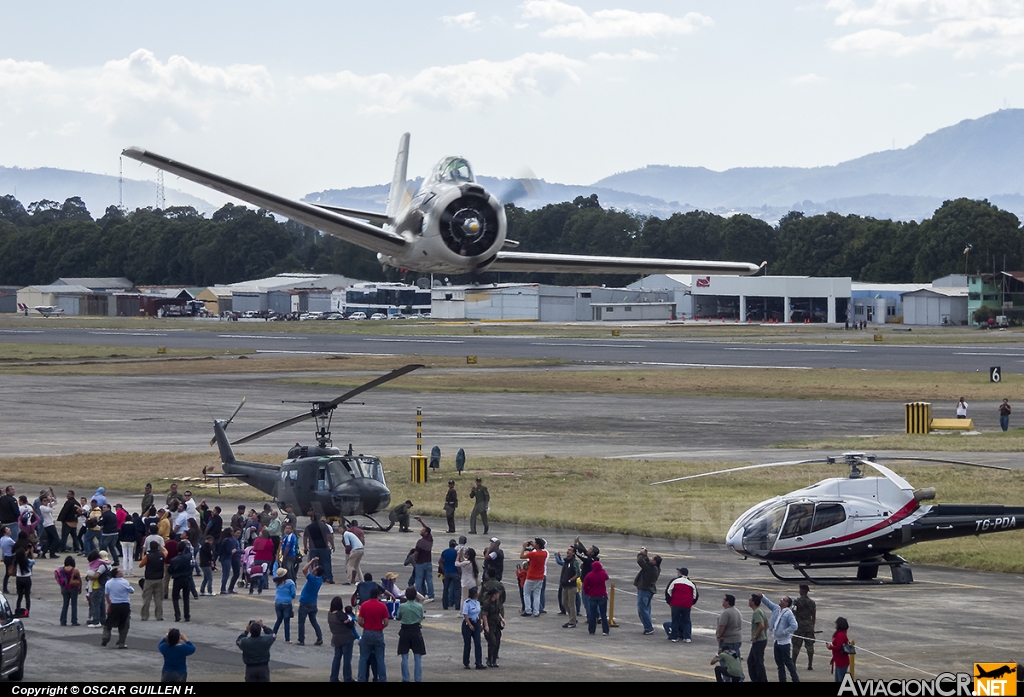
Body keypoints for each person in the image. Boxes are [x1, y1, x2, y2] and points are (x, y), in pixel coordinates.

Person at [758, 593, 800, 683]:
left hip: (784, 642)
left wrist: (784, 632)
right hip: (777, 641)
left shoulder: (788, 613)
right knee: (779, 664)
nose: (781, 600)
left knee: (788, 663)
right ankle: (782, 680)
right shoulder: (776, 608)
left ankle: (795, 679)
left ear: (787, 603)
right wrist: (762, 596)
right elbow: (769, 603)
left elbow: (794, 626)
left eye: (784, 600)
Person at [357, 586, 390, 682]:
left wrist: (365, 626)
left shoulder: (364, 605)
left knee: (363, 658)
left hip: (366, 632)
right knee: (380, 659)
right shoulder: (382, 606)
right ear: (377, 596)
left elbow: (359, 621)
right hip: (378, 633)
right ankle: (382, 679)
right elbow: (386, 622)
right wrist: (380, 627)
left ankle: (361, 678)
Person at [397, 587, 426, 682]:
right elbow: (421, 617)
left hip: (405, 631)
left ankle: (405, 678)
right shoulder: (419, 606)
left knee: (404, 656)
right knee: (418, 657)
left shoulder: (402, 606)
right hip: (416, 631)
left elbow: (398, 617)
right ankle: (418, 678)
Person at [101, 567, 134, 648]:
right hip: (125, 604)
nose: (122, 572)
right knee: (124, 624)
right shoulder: (124, 582)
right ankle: (121, 642)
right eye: (120, 571)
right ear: (117, 574)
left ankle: (105, 638)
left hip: (114, 604)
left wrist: (109, 602)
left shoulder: (108, 582)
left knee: (108, 622)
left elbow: (106, 594)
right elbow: (131, 591)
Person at [663, 566, 697, 643]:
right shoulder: (691, 583)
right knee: (687, 620)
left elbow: (668, 591)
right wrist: (691, 603)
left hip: (676, 604)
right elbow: (695, 595)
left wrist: (670, 602)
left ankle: (674, 637)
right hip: (686, 605)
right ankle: (687, 637)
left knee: (675, 620)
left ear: (680, 573)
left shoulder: (675, 581)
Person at [297, 557, 325, 646]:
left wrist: (312, 561)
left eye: (315, 569)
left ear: (316, 572)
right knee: (313, 621)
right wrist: (315, 563)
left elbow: (304, 569)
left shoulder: (312, 579)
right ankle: (319, 637)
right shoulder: (319, 579)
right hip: (313, 603)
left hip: (305, 602)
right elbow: (315, 572)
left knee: (301, 622)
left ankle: (301, 640)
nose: (313, 569)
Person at [329, 597, 357, 682]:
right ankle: (347, 677)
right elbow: (351, 624)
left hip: (336, 638)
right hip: (346, 638)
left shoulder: (330, 615)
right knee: (347, 659)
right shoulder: (340, 615)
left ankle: (333, 677)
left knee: (337, 658)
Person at [634, 547, 661, 635]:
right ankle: (648, 626)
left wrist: (641, 554)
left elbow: (640, 562)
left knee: (642, 610)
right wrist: (645, 555)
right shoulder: (655, 568)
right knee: (646, 609)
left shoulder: (650, 568)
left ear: (655, 562)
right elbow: (647, 562)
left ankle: (648, 627)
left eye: (652, 559)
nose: (650, 559)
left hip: (644, 590)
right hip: (649, 590)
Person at [303, 509, 335, 584]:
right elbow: (329, 536)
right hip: (324, 547)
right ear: (320, 518)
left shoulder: (309, 527)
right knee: (326, 563)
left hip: (313, 547)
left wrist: (305, 547)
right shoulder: (324, 526)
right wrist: (332, 545)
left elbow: (305, 538)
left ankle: (318, 577)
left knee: (315, 563)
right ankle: (328, 578)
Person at [792, 584, 817, 671]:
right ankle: (810, 664)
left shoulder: (797, 601)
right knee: (810, 646)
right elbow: (813, 616)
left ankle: (793, 663)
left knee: (796, 645)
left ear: (802, 590)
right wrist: (812, 627)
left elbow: (793, 611)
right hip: (809, 625)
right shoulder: (812, 602)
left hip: (799, 625)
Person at [139, 540, 165, 621]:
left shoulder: (148, 556)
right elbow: (165, 551)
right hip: (159, 578)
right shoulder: (162, 554)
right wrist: (161, 545)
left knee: (147, 598)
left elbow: (140, 565)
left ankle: (144, 616)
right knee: (158, 599)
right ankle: (159, 616)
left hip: (149, 579)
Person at [461, 586, 486, 670]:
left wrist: (480, 624)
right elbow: (465, 614)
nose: (478, 594)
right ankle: (466, 662)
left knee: (478, 643)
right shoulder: (467, 603)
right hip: (468, 624)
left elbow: (478, 614)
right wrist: (469, 624)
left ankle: (478, 662)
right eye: (476, 593)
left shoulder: (477, 602)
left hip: (476, 622)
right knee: (467, 644)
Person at [583, 559, 609, 635]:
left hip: (592, 595)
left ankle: (592, 630)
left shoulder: (589, 575)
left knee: (592, 614)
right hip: (602, 595)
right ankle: (605, 630)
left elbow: (585, 586)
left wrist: (587, 593)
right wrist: (602, 570)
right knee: (603, 614)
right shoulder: (603, 574)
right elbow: (607, 577)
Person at [481, 584, 505, 668]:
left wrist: (501, 619)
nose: (499, 595)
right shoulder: (487, 603)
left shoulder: (497, 602)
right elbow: (484, 615)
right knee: (492, 642)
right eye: (497, 593)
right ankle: (489, 659)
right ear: (494, 594)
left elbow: (497, 612)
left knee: (497, 642)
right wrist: (486, 626)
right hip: (490, 625)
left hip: (496, 624)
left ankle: (494, 660)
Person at [169, 540, 193, 623]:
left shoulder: (173, 560)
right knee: (186, 598)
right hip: (186, 578)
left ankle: (177, 615)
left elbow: (170, 571)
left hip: (177, 579)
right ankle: (187, 616)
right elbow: (190, 552)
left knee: (175, 598)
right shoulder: (188, 557)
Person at [747, 593, 769, 682]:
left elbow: (762, 625)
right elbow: (767, 625)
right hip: (762, 639)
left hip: (759, 641)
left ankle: (761, 680)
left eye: (750, 600)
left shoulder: (756, 612)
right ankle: (756, 679)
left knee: (758, 662)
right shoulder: (761, 610)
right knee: (751, 661)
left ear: (753, 602)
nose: (748, 601)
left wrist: (755, 636)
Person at [411, 516, 434, 600]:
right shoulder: (430, 539)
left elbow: (416, 553)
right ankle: (431, 594)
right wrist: (421, 521)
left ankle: (419, 595)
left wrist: (415, 559)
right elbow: (427, 528)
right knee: (429, 580)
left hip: (420, 563)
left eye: (423, 531)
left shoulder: (420, 542)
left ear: (426, 533)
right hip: (428, 562)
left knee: (419, 580)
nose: (421, 530)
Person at [55, 555, 82, 626]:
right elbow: (79, 579)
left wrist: (62, 588)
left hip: (65, 589)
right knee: (74, 605)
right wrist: (80, 589)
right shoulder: (75, 570)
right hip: (73, 589)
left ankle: (63, 621)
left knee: (65, 605)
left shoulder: (61, 570)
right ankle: (74, 621)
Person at [272, 568, 297, 642]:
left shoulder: (277, 582)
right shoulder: (290, 582)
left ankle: (273, 634)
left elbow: (274, 571)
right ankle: (287, 638)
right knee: (286, 621)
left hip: (278, 602)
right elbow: (293, 594)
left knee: (279, 619)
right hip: (287, 603)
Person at [558, 545, 580, 628]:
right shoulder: (566, 561)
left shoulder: (574, 562)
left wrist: (570, 580)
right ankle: (573, 617)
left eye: (570, 550)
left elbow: (578, 573)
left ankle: (572, 622)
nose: (568, 551)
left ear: (573, 553)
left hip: (571, 586)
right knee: (564, 603)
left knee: (571, 603)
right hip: (565, 586)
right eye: (568, 550)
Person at [826, 617, 852, 683]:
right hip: (839, 661)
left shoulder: (840, 635)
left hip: (842, 661)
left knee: (841, 680)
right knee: (838, 679)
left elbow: (838, 647)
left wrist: (830, 647)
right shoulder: (841, 633)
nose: (835, 624)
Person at [439, 539, 460, 610]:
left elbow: (440, 561)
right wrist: (458, 571)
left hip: (447, 572)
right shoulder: (456, 552)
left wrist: (444, 569)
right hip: (454, 572)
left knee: (445, 589)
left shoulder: (445, 552)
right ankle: (457, 605)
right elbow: (458, 562)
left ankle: (445, 605)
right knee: (457, 589)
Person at [342, 520, 364, 586]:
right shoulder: (359, 531)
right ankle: (361, 580)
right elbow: (362, 540)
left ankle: (348, 580)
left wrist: (348, 554)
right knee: (357, 565)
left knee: (349, 565)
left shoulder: (346, 533)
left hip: (355, 550)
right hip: (361, 548)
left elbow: (347, 545)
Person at [219, 528, 241, 594]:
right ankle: (223, 589)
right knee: (226, 574)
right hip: (227, 558)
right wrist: (234, 551)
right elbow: (229, 550)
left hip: (225, 558)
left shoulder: (224, 540)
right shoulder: (228, 540)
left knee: (225, 574)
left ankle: (225, 588)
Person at [13, 547, 33, 616]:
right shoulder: (27, 561)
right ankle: (27, 611)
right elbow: (33, 561)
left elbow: (21, 557)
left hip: (19, 579)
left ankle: (18, 610)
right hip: (27, 578)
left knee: (20, 596)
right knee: (27, 596)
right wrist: (31, 552)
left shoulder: (16, 561)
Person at [1, 526, 15, 594]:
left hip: (6, 557)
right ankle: (19, 588)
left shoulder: (1, 539)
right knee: (15, 572)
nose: (9, 530)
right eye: (7, 529)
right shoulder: (9, 540)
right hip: (11, 557)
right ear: (5, 532)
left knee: (7, 574)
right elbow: (15, 545)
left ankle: (5, 588)